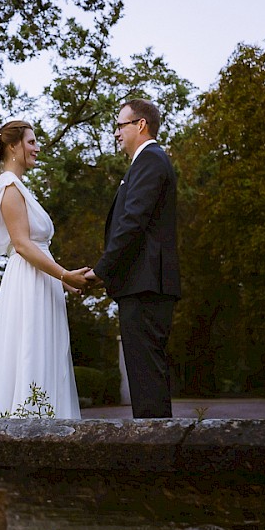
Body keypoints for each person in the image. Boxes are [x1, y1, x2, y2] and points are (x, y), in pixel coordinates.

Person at [0, 120, 87, 418]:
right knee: (32, 350)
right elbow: (23, 244)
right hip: (28, 282)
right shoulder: (8, 186)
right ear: (13, 146)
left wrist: (63, 280)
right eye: (31, 142)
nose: (37, 148)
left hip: (41, 280)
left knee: (48, 354)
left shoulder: (19, 187)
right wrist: (63, 274)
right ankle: (31, 422)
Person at [86, 99, 181, 418]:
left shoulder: (150, 160)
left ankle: (156, 455)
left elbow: (132, 222)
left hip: (145, 286)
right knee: (146, 375)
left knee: (147, 377)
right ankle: (156, 450)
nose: (115, 133)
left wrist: (101, 271)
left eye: (120, 125)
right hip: (143, 285)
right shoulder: (146, 162)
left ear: (141, 125)